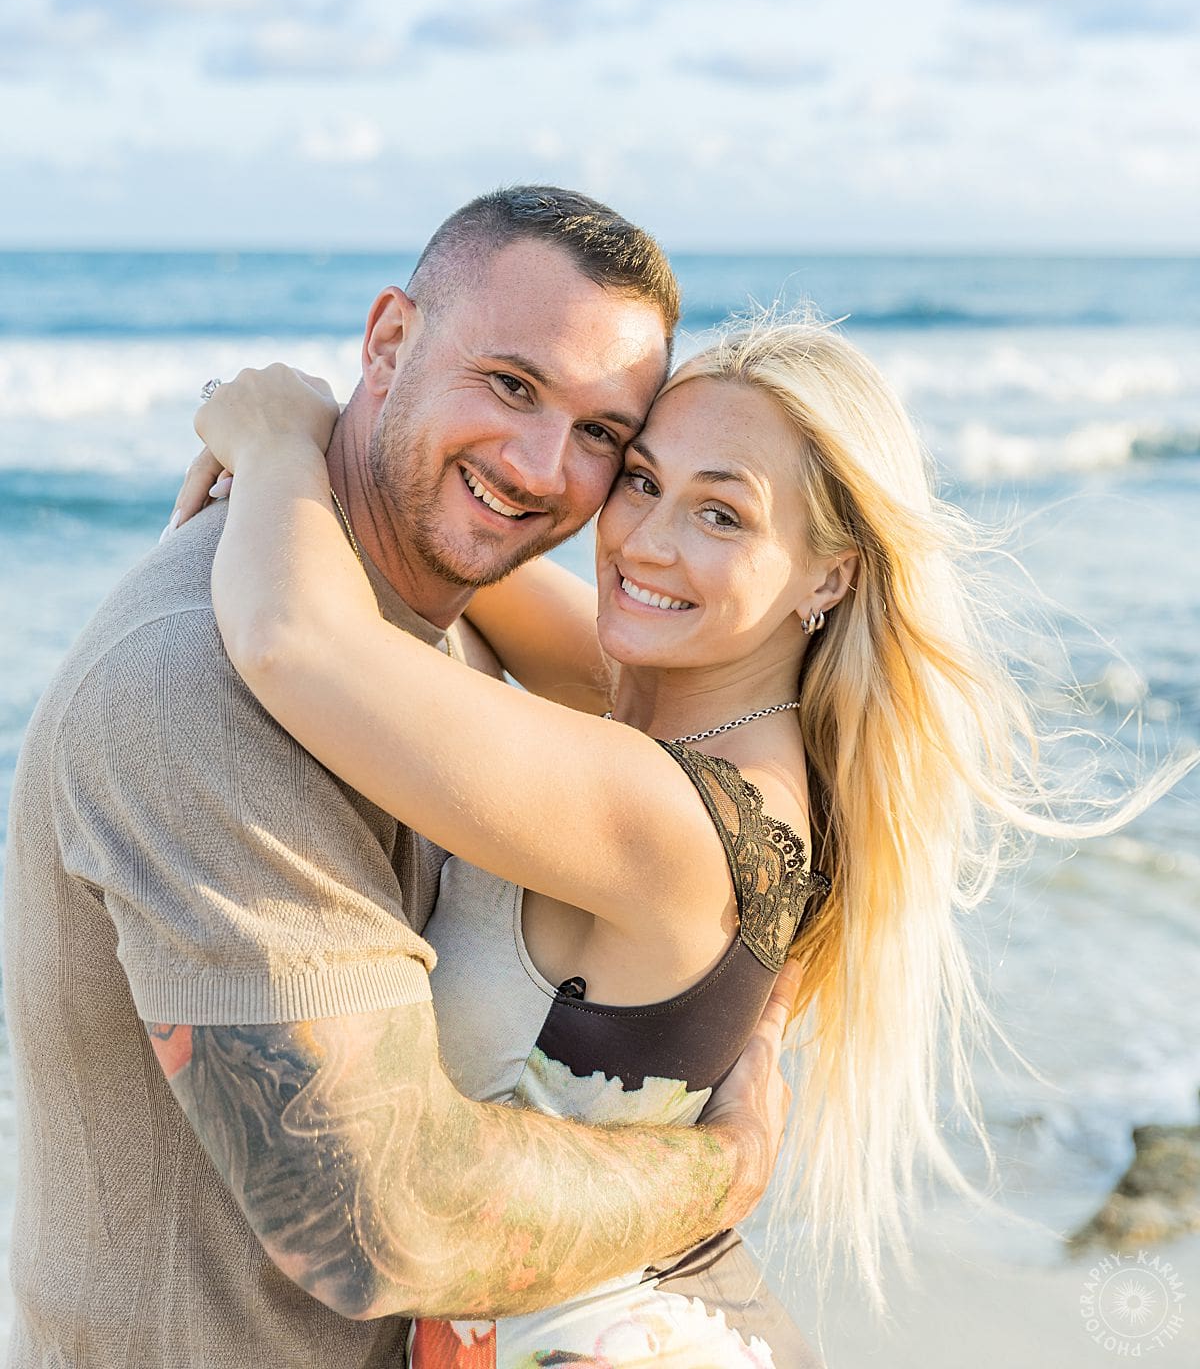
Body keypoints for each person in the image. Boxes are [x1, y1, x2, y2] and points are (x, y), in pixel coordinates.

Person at [181, 308, 1196, 1365]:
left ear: (828, 575)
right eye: (641, 480)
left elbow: (295, 641)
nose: (644, 543)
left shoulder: (667, 814)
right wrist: (363, 422)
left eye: (723, 516)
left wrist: (273, 437)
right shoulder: (697, 716)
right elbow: (449, 544)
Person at [2, 188, 808, 1369]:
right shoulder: (198, 695)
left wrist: (286, 441)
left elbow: (678, 662)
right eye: (511, 384)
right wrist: (723, 1168)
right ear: (387, 341)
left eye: (602, 437)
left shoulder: (441, 624)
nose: (542, 467)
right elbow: (377, 1227)